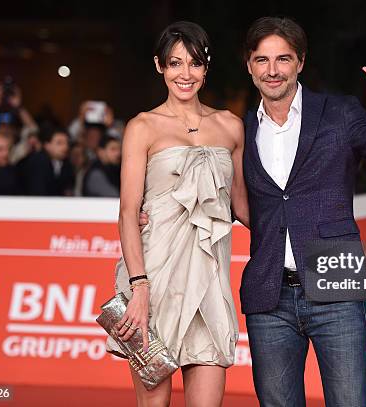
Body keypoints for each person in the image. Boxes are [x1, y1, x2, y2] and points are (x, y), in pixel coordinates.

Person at [239, 17, 366, 406]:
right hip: (269, 298)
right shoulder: (239, 132)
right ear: (249, 65)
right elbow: (222, 198)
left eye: (283, 59)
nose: (273, 70)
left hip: (335, 282)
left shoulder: (339, 113)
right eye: (263, 60)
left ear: (300, 62)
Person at [108, 21, 249, 407]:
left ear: (206, 67)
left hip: (209, 280)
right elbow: (127, 212)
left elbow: (242, 207)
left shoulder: (231, 126)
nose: (185, 74)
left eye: (194, 63)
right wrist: (138, 289)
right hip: (152, 281)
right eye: (175, 64)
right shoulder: (142, 127)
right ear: (160, 66)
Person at [17, 127, 75, 196]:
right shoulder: (37, 162)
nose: (65, 147)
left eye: (66, 143)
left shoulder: (67, 165)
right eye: (59, 143)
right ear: (47, 145)